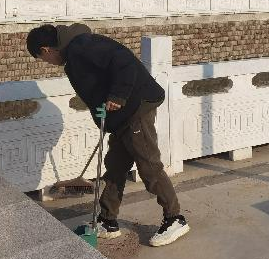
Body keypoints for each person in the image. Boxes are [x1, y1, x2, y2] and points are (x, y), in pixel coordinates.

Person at [26, 23, 190, 247]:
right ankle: (108, 221)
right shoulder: (75, 52)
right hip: (121, 117)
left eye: (43, 59)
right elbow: (99, 85)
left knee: (149, 166)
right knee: (115, 167)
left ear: (46, 50)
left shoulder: (81, 46)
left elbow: (123, 62)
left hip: (135, 109)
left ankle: (175, 218)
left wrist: (118, 95)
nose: (48, 62)